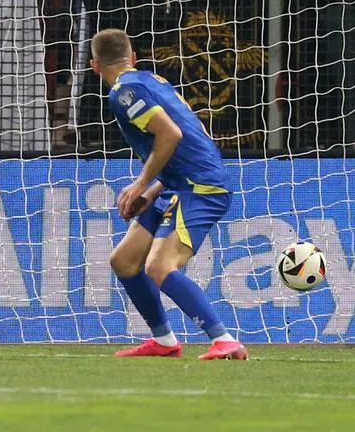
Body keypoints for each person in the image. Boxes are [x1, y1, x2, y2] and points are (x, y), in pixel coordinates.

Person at [92, 28, 246, 360]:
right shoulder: (151, 80)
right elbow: (183, 140)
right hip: (178, 182)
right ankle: (163, 341)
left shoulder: (123, 93)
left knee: (159, 266)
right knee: (124, 260)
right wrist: (151, 192)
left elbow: (170, 135)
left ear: (94, 66)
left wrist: (140, 184)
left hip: (200, 186)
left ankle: (225, 340)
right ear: (133, 58)